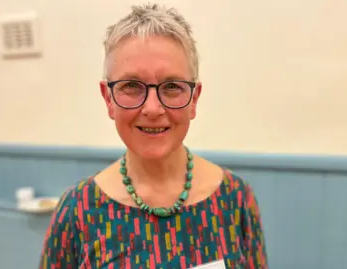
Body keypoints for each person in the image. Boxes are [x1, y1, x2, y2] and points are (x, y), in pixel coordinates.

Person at [38, 3, 268, 269]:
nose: (153, 108)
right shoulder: (78, 211)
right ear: (108, 99)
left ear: (194, 99)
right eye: (131, 86)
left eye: (172, 86)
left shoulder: (235, 198)